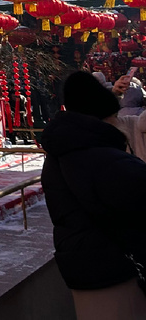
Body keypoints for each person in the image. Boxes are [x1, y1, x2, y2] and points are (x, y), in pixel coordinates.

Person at [40, 71, 146, 319]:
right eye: (114, 116)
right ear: (103, 118)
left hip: (84, 262)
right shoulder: (99, 157)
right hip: (112, 266)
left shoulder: (66, 149)